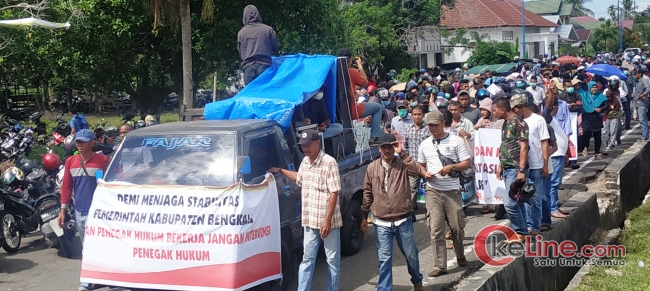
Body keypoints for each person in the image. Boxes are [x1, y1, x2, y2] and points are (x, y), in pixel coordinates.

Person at [268, 129, 342, 291]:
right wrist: (280, 171)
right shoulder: (305, 162)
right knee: (307, 259)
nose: (305, 149)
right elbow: (299, 177)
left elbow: (334, 191)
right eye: (303, 146)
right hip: (310, 220)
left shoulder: (329, 163)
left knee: (332, 260)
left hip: (327, 221)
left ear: (317, 143)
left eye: (308, 145)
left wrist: (327, 221)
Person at [360, 133, 424, 291]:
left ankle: (417, 282)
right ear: (379, 149)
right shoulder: (372, 167)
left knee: (411, 255)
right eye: (384, 147)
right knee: (384, 259)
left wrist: (401, 152)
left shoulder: (402, 164)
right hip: (381, 222)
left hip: (403, 220)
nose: (387, 150)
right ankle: (384, 289)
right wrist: (363, 216)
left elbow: (417, 171)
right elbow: (367, 192)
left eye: (390, 146)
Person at [417, 111, 471, 277]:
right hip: (432, 190)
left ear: (442, 123)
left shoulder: (455, 141)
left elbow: (467, 163)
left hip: (452, 190)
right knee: (436, 229)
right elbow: (421, 164)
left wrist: (451, 168)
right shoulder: (424, 144)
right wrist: (424, 173)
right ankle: (440, 265)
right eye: (430, 125)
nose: (432, 128)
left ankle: (460, 254)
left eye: (435, 124)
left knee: (456, 227)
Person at [58, 129, 111, 291]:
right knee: (86, 245)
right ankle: (100, 277)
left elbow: (111, 184)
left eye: (83, 141)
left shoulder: (103, 160)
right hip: (79, 210)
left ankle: (86, 283)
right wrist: (63, 210)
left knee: (89, 246)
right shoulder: (70, 162)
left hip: (98, 211)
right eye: (78, 142)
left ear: (92, 143)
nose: (79, 145)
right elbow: (66, 187)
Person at [493, 97, 529, 243]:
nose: (493, 113)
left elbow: (524, 147)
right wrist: (500, 165)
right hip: (507, 167)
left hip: (515, 168)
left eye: (495, 110)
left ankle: (520, 232)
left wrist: (521, 170)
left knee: (509, 203)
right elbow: (505, 144)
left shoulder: (519, 123)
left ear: (502, 109)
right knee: (517, 202)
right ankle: (522, 233)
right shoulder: (505, 123)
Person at [512, 94, 549, 236]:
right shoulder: (514, 121)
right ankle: (527, 225)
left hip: (537, 163)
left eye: (515, 109)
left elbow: (544, 142)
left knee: (536, 198)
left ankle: (535, 226)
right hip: (522, 166)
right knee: (524, 197)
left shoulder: (538, 120)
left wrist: (545, 164)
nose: (514, 112)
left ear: (521, 107)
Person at [337, 48, 383, 142]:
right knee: (378, 107)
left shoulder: (333, 72)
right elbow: (365, 83)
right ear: (349, 60)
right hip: (352, 110)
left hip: (337, 111)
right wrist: (360, 65)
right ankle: (374, 137)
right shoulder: (351, 71)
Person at [238, 5, 279, 85]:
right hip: (265, 66)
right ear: (258, 15)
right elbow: (275, 48)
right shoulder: (268, 29)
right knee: (265, 94)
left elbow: (241, 54)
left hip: (248, 68)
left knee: (250, 95)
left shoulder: (241, 33)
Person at [403, 106, 430, 220]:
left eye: (419, 114)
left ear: (423, 115)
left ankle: (429, 211)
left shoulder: (428, 129)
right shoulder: (408, 128)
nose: (417, 117)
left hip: (426, 164)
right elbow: (405, 146)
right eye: (415, 114)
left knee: (429, 188)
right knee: (412, 188)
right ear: (412, 115)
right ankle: (411, 211)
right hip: (413, 164)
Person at [579, 81, 609, 159]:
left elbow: (606, 105)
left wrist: (600, 109)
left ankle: (597, 153)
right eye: (593, 87)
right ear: (589, 88)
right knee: (586, 135)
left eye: (595, 87)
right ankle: (585, 147)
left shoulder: (601, 96)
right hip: (586, 119)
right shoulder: (584, 96)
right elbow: (579, 105)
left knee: (597, 136)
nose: (594, 89)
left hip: (596, 118)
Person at [602, 79, 622, 154]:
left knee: (613, 130)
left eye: (609, 97)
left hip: (614, 116)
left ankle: (612, 144)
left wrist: (620, 115)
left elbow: (618, 106)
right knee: (605, 131)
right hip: (606, 116)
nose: (608, 98)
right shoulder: (605, 99)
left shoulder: (616, 99)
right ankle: (605, 143)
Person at [633, 67, 650, 140]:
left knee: (642, 119)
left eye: (635, 74)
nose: (634, 75)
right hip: (637, 102)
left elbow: (648, 88)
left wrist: (643, 95)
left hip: (642, 102)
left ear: (639, 74)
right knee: (641, 119)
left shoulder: (644, 80)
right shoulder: (637, 82)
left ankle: (645, 136)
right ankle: (645, 135)